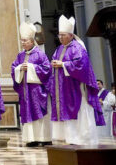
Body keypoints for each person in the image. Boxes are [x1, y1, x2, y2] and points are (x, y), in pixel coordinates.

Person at [47, 15, 104, 146]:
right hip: (62, 87)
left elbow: (81, 65)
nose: (60, 38)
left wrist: (62, 65)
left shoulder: (77, 48)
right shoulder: (59, 49)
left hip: (75, 88)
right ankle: (67, 137)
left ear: (71, 35)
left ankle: (82, 137)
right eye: (59, 35)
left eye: (63, 35)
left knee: (79, 110)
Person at [11, 22, 52, 147]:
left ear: (32, 41)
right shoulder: (21, 55)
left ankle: (44, 138)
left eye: (25, 40)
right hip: (25, 91)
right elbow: (13, 68)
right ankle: (31, 139)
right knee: (27, 112)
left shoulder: (40, 54)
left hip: (37, 91)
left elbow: (46, 70)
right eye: (22, 41)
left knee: (39, 113)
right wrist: (19, 69)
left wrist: (30, 67)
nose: (23, 43)